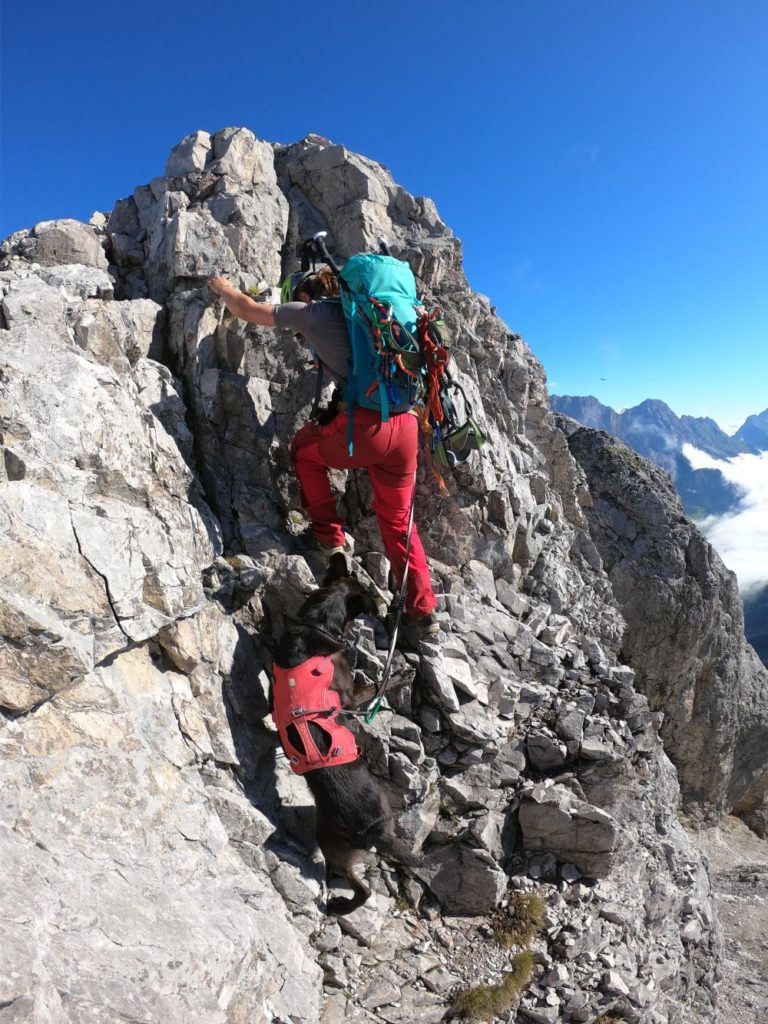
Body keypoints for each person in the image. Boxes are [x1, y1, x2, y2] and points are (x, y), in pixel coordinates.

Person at [208, 270, 439, 637]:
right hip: (406, 427)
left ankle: (328, 538)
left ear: (306, 294)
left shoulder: (312, 313)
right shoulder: (374, 316)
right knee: (398, 522)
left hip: (365, 429)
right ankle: (421, 611)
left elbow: (248, 308)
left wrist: (222, 289)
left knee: (304, 451)